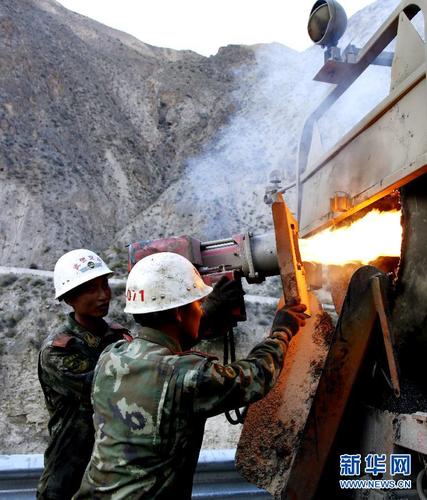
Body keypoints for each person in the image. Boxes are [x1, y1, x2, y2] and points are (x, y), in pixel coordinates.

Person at [74, 251, 306, 499]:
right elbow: (256, 376)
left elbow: (166, 347)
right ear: (178, 313)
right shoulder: (186, 376)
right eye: (197, 304)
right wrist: (281, 331)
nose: (201, 310)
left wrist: (205, 315)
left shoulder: (111, 355)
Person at [37, 249, 132, 500]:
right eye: (91, 289)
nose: (103, 295)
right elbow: (106, 389)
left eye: (104, 285)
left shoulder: (118, 337)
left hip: (115, 469)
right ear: (69, 298)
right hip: (70, 472)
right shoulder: (58, 351)